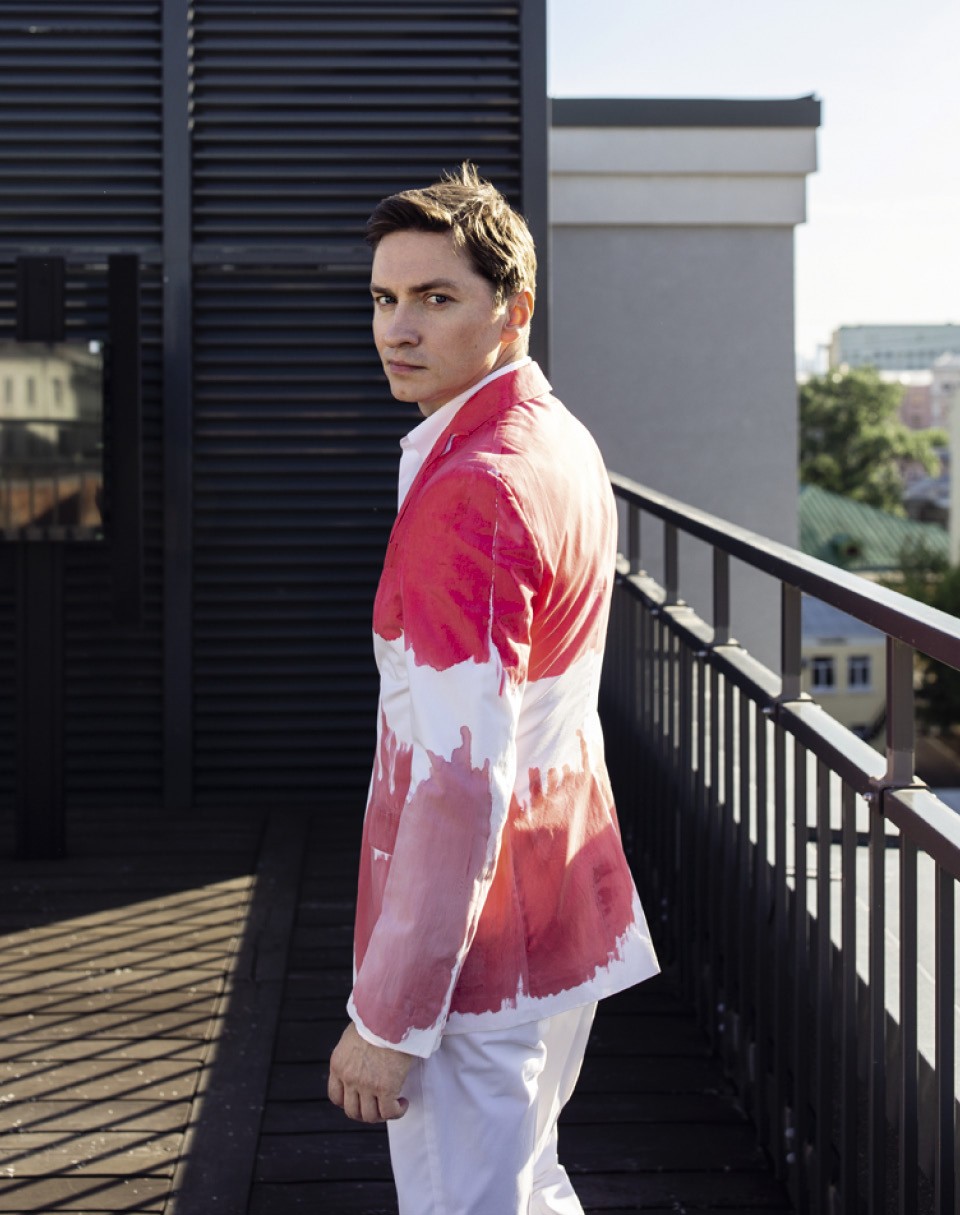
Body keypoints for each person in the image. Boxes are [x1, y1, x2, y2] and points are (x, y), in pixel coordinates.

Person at [328, 163, 659, 1214]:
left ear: (513, 311)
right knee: (529, 1183)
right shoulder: (558, 439)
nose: (398, 328)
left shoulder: (474, 488)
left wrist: (389, 1017)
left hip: (475, 958)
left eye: (435, 298)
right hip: (556, 905)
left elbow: (461, 776)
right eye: (384, 298)